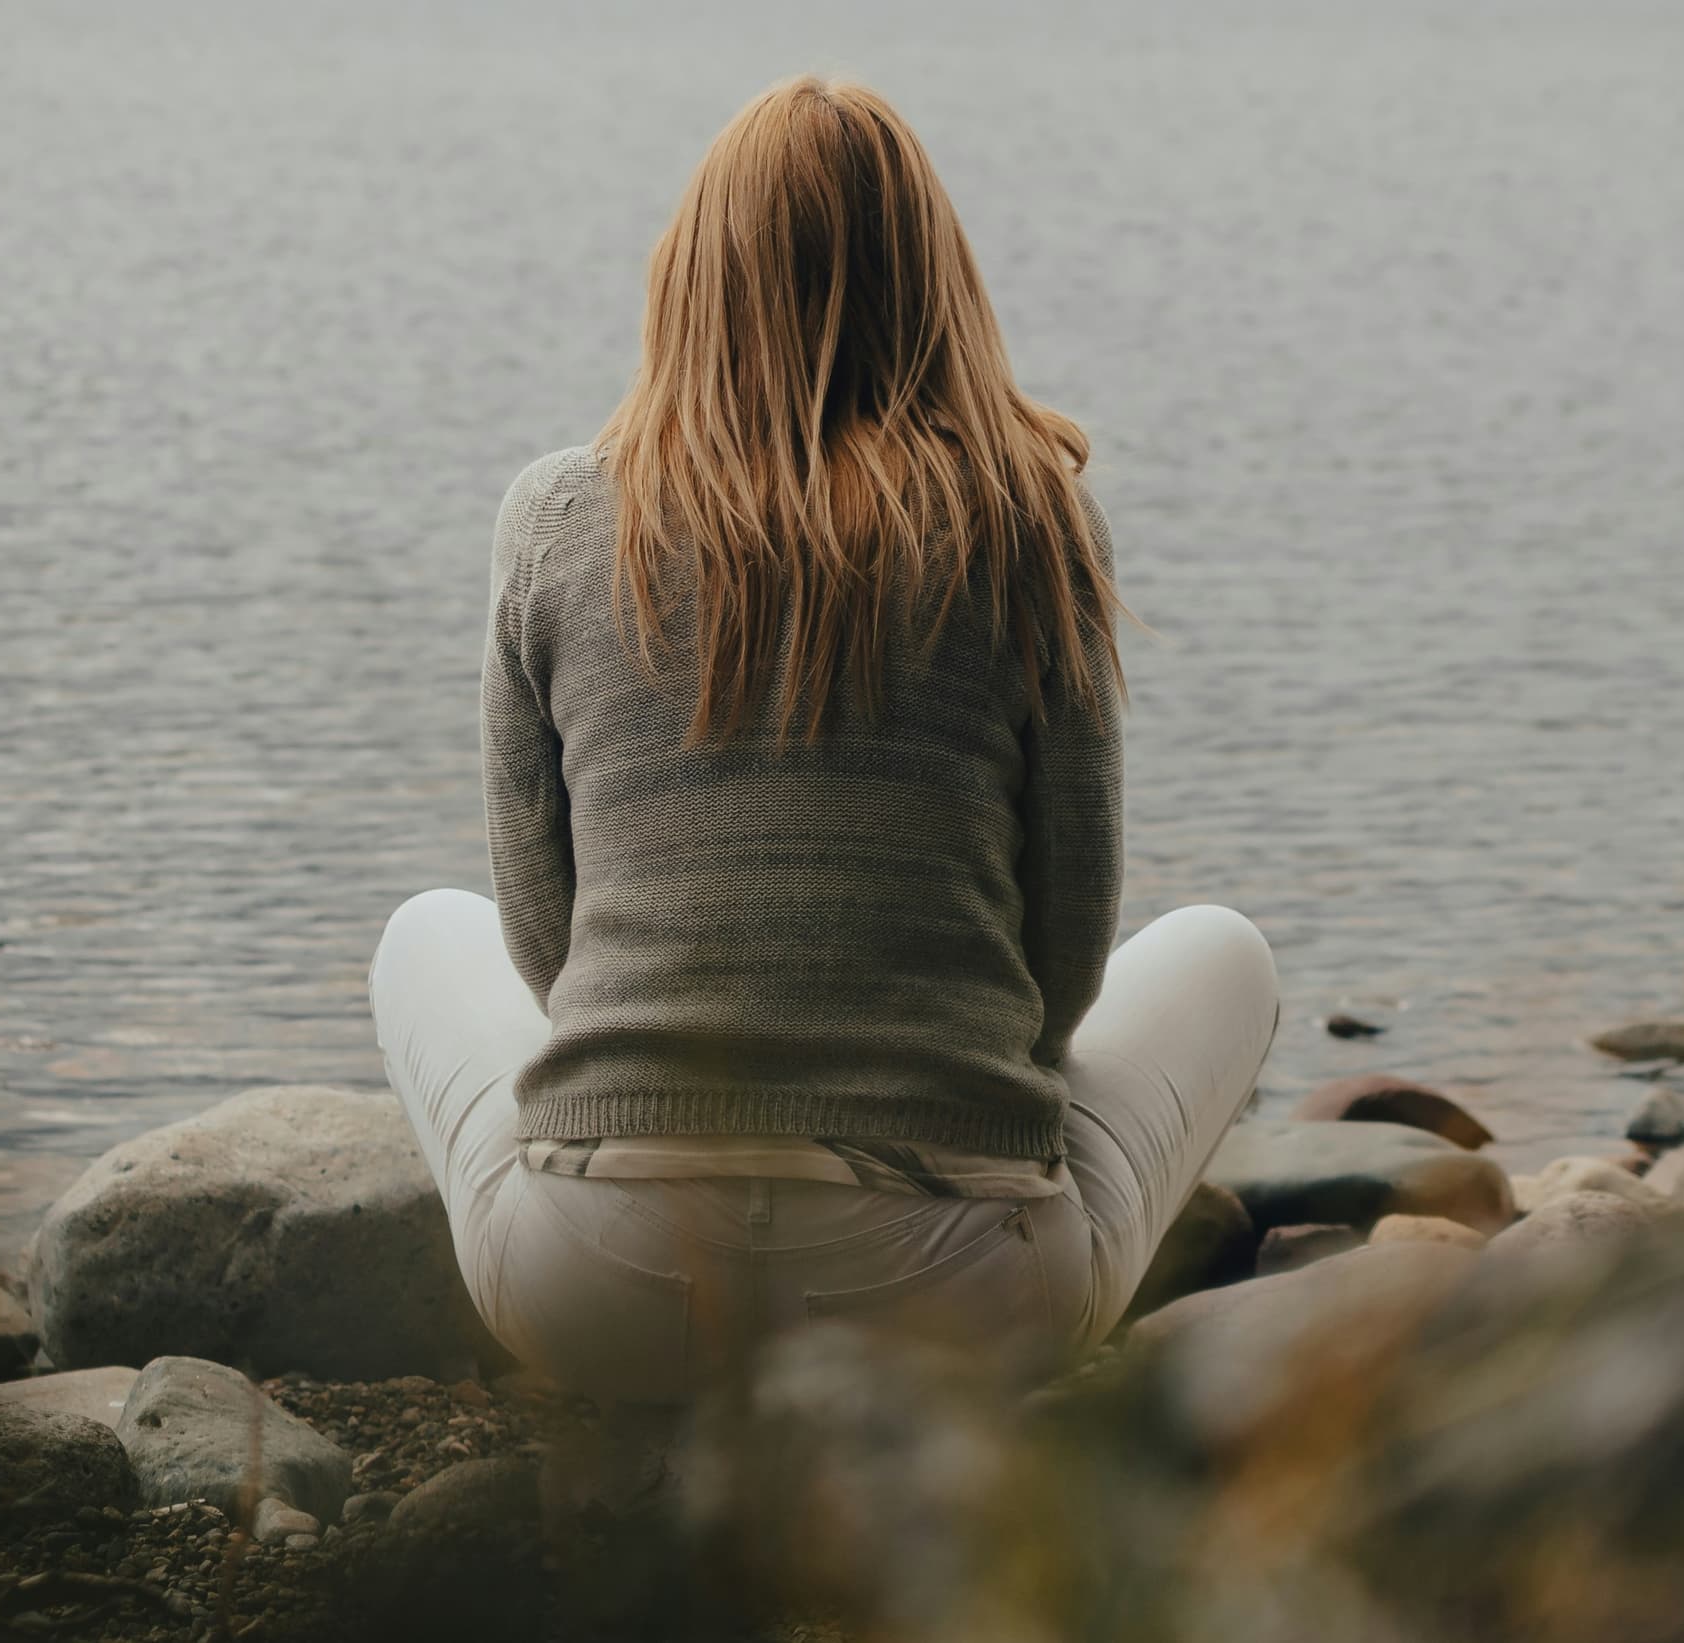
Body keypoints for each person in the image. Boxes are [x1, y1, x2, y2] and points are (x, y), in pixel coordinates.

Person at [369, 75, 1276, 1409]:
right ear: (937, 286)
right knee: (1227, 955)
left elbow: (546, 944)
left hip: (606, 1284)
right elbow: (1067, 954)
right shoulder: (1030, 520)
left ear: (688, 277)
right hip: (948, 1299)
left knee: (421, 933)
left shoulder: (558, 517)